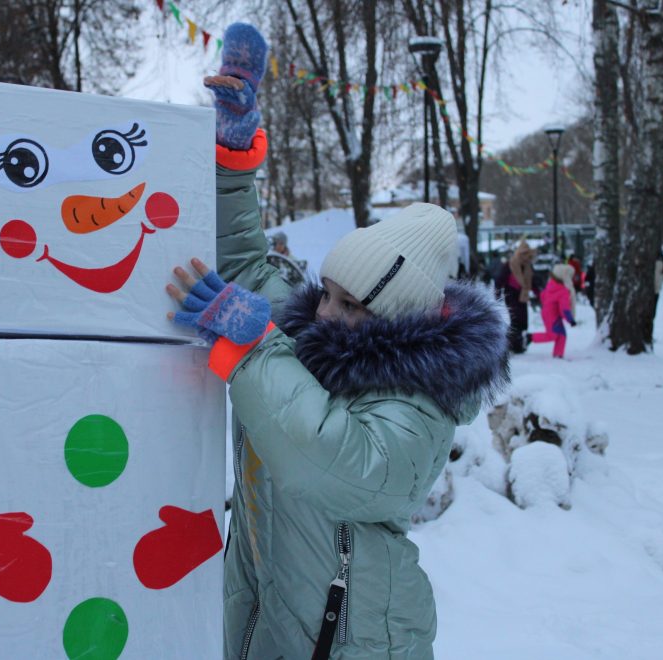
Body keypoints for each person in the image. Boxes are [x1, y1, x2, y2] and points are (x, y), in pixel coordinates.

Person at [165, 23, 510, 660]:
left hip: (357, 641)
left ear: (393, 320)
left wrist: (252, 345)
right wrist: (231, 157)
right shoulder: (308, 336)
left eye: (350, 304)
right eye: (327, 291)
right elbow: (241, 260)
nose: (325, 313)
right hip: (265, 615)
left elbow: (329, 457)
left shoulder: (420, 404)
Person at [525, 263, 576, 359]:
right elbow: (564, 308)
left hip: (548, 313)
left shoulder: (551, 284)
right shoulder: (563, 290)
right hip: (553, 316)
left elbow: (543, 295)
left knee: (561, 335)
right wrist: (570, 319)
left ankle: (558, 354)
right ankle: (530, 337)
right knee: (552, 335)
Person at [494, 240, 536, 353]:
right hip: (511, 295)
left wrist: (539, 293)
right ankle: (511, 345)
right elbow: (499, 280)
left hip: (522, 296)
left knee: (523, 321)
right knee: (516, 319)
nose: (526, 257)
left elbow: (533, 280)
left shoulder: (528, 266)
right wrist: (497, 293)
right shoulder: (510, 264)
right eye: (524, 254)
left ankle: (516, 344)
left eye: (527, 254)